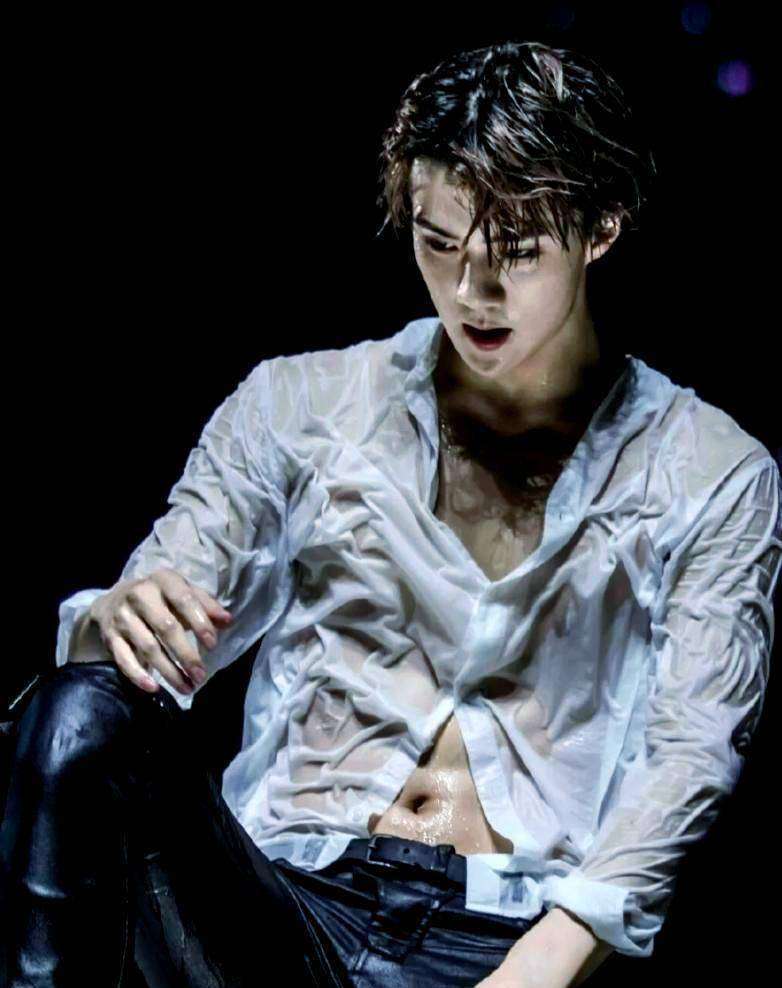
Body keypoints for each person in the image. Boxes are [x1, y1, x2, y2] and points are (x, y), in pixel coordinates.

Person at [2, 39, 781, 988]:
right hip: (283, 915)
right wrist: (115, 620)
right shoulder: (300, 407)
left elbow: (691, 750)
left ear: (601, 227)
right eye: (438, 244)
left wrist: (546, 964)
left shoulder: (709, 469)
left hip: (508, 936)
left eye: (516, 254)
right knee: (78, 711)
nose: (471, 293)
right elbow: (137, 646)